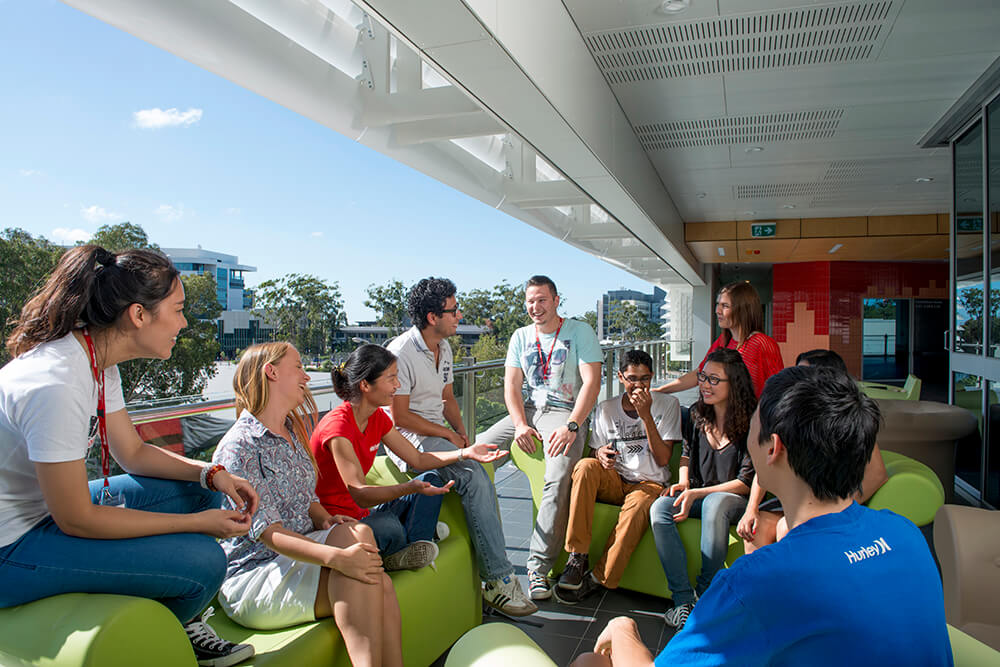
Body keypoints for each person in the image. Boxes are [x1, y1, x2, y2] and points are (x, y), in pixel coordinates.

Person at [573, 366, 953, 666]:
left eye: (755, 421)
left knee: (590, 661)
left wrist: (622, 629)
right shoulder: (906, 534)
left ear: (774, 447)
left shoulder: (755, 582)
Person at [0, 245, 257, 667]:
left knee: (200, 493)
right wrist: (195, 526)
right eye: (177, 310)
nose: (184, 322)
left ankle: (161, 597)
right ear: (138, 314)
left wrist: (211, 473)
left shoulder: (97, 361)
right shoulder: (57, 384)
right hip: (10, 548)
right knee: (206, 563)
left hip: (45, 514)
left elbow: (133, 452)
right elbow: (77, 519)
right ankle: (158, 641)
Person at [213, 343, 400, 667]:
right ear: (271, 372)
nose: (307, 377)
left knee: (358, 535)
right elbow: (268, 534)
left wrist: (325, 521)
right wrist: (338, 558)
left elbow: (308, 500)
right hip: (257, 573)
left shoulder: (291, 433)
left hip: (298, 557)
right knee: (374, 578)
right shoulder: (238, 447)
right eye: (298, 367)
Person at [386, 278, 536, 616]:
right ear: (431, 316)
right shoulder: (401, 352)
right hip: (408, 438)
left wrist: (462, 433)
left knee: (476, 462)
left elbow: (448, 398)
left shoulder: (446, 347)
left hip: (437, 432)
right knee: (472, 474)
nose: (459, 315)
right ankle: (497, 580)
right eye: (453, 311)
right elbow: (401, 416)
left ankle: (493, 571)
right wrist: (448, 437)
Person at [310, 345, 509, 573]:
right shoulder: (338, 429)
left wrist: (466, 453)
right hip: (338, 522)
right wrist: (408, 487)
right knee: (388, 527)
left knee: (431, 478)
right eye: (391, 378)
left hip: (363, 513)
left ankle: (415, 543)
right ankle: (413, 540)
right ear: (365, 385)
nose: (398, 385)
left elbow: (418, 458)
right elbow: (361, 493)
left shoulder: (377, 418)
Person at [474, 275, 603, 601]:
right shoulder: (520, 336)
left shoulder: (579, 332)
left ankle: (537, 567)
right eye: (531, 301)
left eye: (542, 300)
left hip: (565, 415)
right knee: (474, 450)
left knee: (557, 474)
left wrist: (573, 425)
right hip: (529, 412)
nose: (536, 307)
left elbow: (591, 383)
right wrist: (518, 425)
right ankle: (478, 557)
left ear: (557, 300)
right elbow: (511, 387)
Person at [554, 349, 681, 605]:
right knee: (585, 467)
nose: (638, 385)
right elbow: (594, 451)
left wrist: (646, 416)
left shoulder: (668, 405)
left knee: (636, 511)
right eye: (632, 378)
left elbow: (664, 459)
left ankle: (600, 578)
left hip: (649, 483)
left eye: (644, 379)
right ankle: (577, 556)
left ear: (652, 377)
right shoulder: (606, 408)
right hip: (616, 477)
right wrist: (600, 453)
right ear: (621, 377)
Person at [737, 348, 889, 553]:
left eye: (803, 376)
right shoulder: (903, 534)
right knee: (760, 528)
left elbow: (877, 475)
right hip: (795, 505)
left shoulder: (845, 428)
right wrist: (751, 508)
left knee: (786, 529)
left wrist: (837, 508)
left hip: (820, 507)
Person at [649, 348, 755, 631]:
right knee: (660, 507)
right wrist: (683, 482)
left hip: (734, 501)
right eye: (703, 377)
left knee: (716, 503)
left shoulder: (753, 421)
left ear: (735, 383)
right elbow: (686, 454)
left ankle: (706, 595)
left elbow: (746, 483)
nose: (705, 385)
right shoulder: (697, 414)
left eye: (714, 380)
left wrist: (695, 494)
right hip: (699, 493)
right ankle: (683, 601)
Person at [653, 282, 783, 399]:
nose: (717, 311)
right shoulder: (724, 341)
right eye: (717, 304)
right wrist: (659, 391)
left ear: (743, 310)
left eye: (725, 306)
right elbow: (699, 374)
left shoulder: (762, 343)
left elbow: (779, 389)